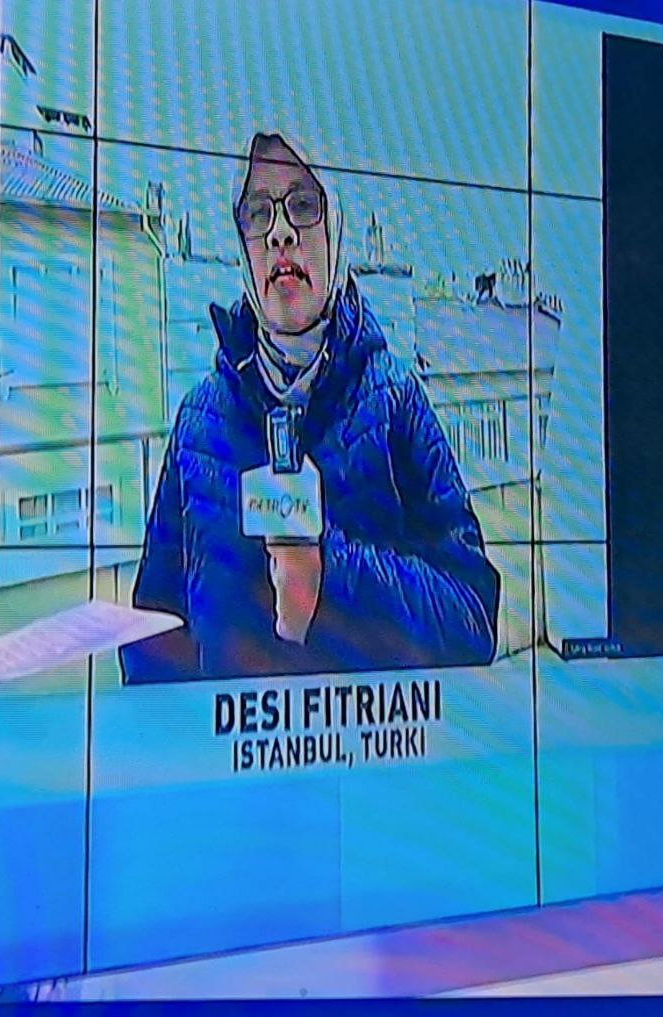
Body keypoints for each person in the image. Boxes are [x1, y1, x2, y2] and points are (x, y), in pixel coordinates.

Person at [123, 133, 499, 683]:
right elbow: (151, 641)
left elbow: (472, 621)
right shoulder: (198, 422)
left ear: (336, 230)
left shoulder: (396, 400)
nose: (280, 232)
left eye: (303, 205)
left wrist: (331, 577)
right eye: (258, 212)